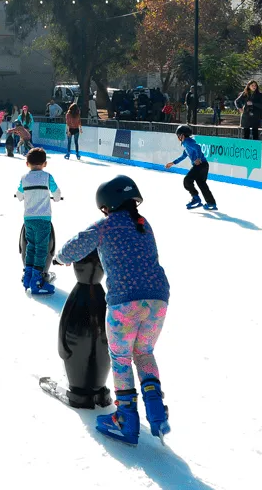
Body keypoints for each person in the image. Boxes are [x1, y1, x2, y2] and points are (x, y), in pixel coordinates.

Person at [56, 175, 171, 445]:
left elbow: (74, 247)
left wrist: (59, 258)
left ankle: (126, 420)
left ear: (107, 204)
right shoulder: (144, 224)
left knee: (120, 359)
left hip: (125, 302)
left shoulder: (104, 226)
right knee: (143, 353)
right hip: (158, 299)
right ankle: (156, 412)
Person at [15, 147, 62, 294]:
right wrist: (56, 198)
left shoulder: (24, 178)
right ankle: (37, 280)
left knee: (30, 246)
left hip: (28, 219)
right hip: (43, 218)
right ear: (45, 164)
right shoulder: (47, 177)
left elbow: (19, 195)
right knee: (42, 249)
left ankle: (27, 275)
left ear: (27, 163)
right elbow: (56, 193)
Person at [165, 125, 217, 211]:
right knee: (201, 184)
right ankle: (211, 203)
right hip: (204, 165)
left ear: (182, 135)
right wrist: (173, 163)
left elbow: (198, 147)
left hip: (200, 165)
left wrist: (198, 158)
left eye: (178, 135)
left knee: (187, 180)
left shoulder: (188, 142)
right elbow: (183, 156)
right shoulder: (186, 143)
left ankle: (196, 199)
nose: (177, 137)